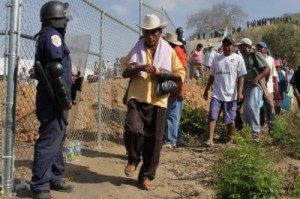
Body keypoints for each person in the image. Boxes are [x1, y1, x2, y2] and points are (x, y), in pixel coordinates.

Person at [122, 14, 185, 190]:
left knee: (154, 141)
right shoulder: (136, 49)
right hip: (136, 97)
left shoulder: (169, 51)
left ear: (160, 32)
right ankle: (133, 159)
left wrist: (163, 73)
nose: (150, 36)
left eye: (154, 33)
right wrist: (140, 67)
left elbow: (180, 74)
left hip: (158, 101)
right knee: (132, 129)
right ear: (143, 32)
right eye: (146, 32)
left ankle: (146, 176)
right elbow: (125, 72)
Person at [31, 1, 75, 198]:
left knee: (58, 138)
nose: (66, 22)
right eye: (64, 19)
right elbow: (54, 70)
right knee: (50, 140)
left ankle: (55, 178)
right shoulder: (53, 36)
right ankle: (40, 186)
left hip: (53, 96)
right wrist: (64, 98)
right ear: (57, 19)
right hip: (52, 98)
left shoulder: (49, 36)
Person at [203, 36, 246, 146]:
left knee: (230, 119)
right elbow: (212, 76)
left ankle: (230, 140)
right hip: (217, 94)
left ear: (233, 46)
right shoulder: (216, 59)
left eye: (229, 45)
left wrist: (240, 92)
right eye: (225, 45)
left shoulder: (238, 59)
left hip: (231, 95)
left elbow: (241, 77)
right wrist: (207, 89)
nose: (226, 47)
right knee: (212, 115)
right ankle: (210, 139)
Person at [236, 38, 270, 142]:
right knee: (246, 109)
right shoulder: (242, 57)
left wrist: (257, 78)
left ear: (247, 46)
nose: (239, 47)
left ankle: (255, 132)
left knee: (252, 106)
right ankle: (247, 132)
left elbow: (267, 69)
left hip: (255, 85)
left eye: (241, 45)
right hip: (246, 86)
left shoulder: (255, 55)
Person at [163, 33, 188, 148]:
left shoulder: (177, 51)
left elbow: (182, 73)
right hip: (173, 90)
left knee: (172, 116)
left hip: (176, 90)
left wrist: (180, 90)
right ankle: (178, 138)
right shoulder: (174, 51)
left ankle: (170, 141)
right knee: (174, 115)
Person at [255, 42, 277, 133]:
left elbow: (274, 74)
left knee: (270, 107)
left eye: (260, 47)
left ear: (265, 49)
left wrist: (276, 85)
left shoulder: (271, 59)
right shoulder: (255, 59)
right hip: (257, 88)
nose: (258, 49)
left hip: (268, 88)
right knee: (258, 107)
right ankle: (258, 127)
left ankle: (272, 128)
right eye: (258, 47)